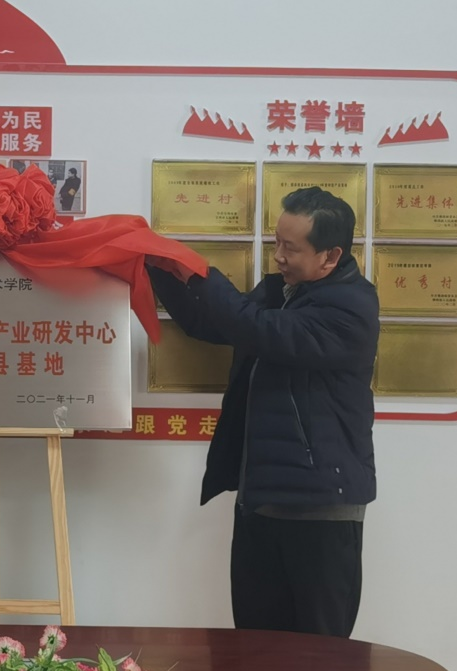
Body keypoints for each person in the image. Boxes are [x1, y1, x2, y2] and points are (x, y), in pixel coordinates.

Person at [146, 186, 378, 638]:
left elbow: (256, 328)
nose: (278, 257)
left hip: (321, 513)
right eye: (277, 243)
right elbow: (211, 322)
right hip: (261, 504)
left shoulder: (351, 308)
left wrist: (200, 272)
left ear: (330, 257)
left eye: (291, 248)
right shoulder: (282, 293)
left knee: (321, 659)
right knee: (254, 654)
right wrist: (159, 267)